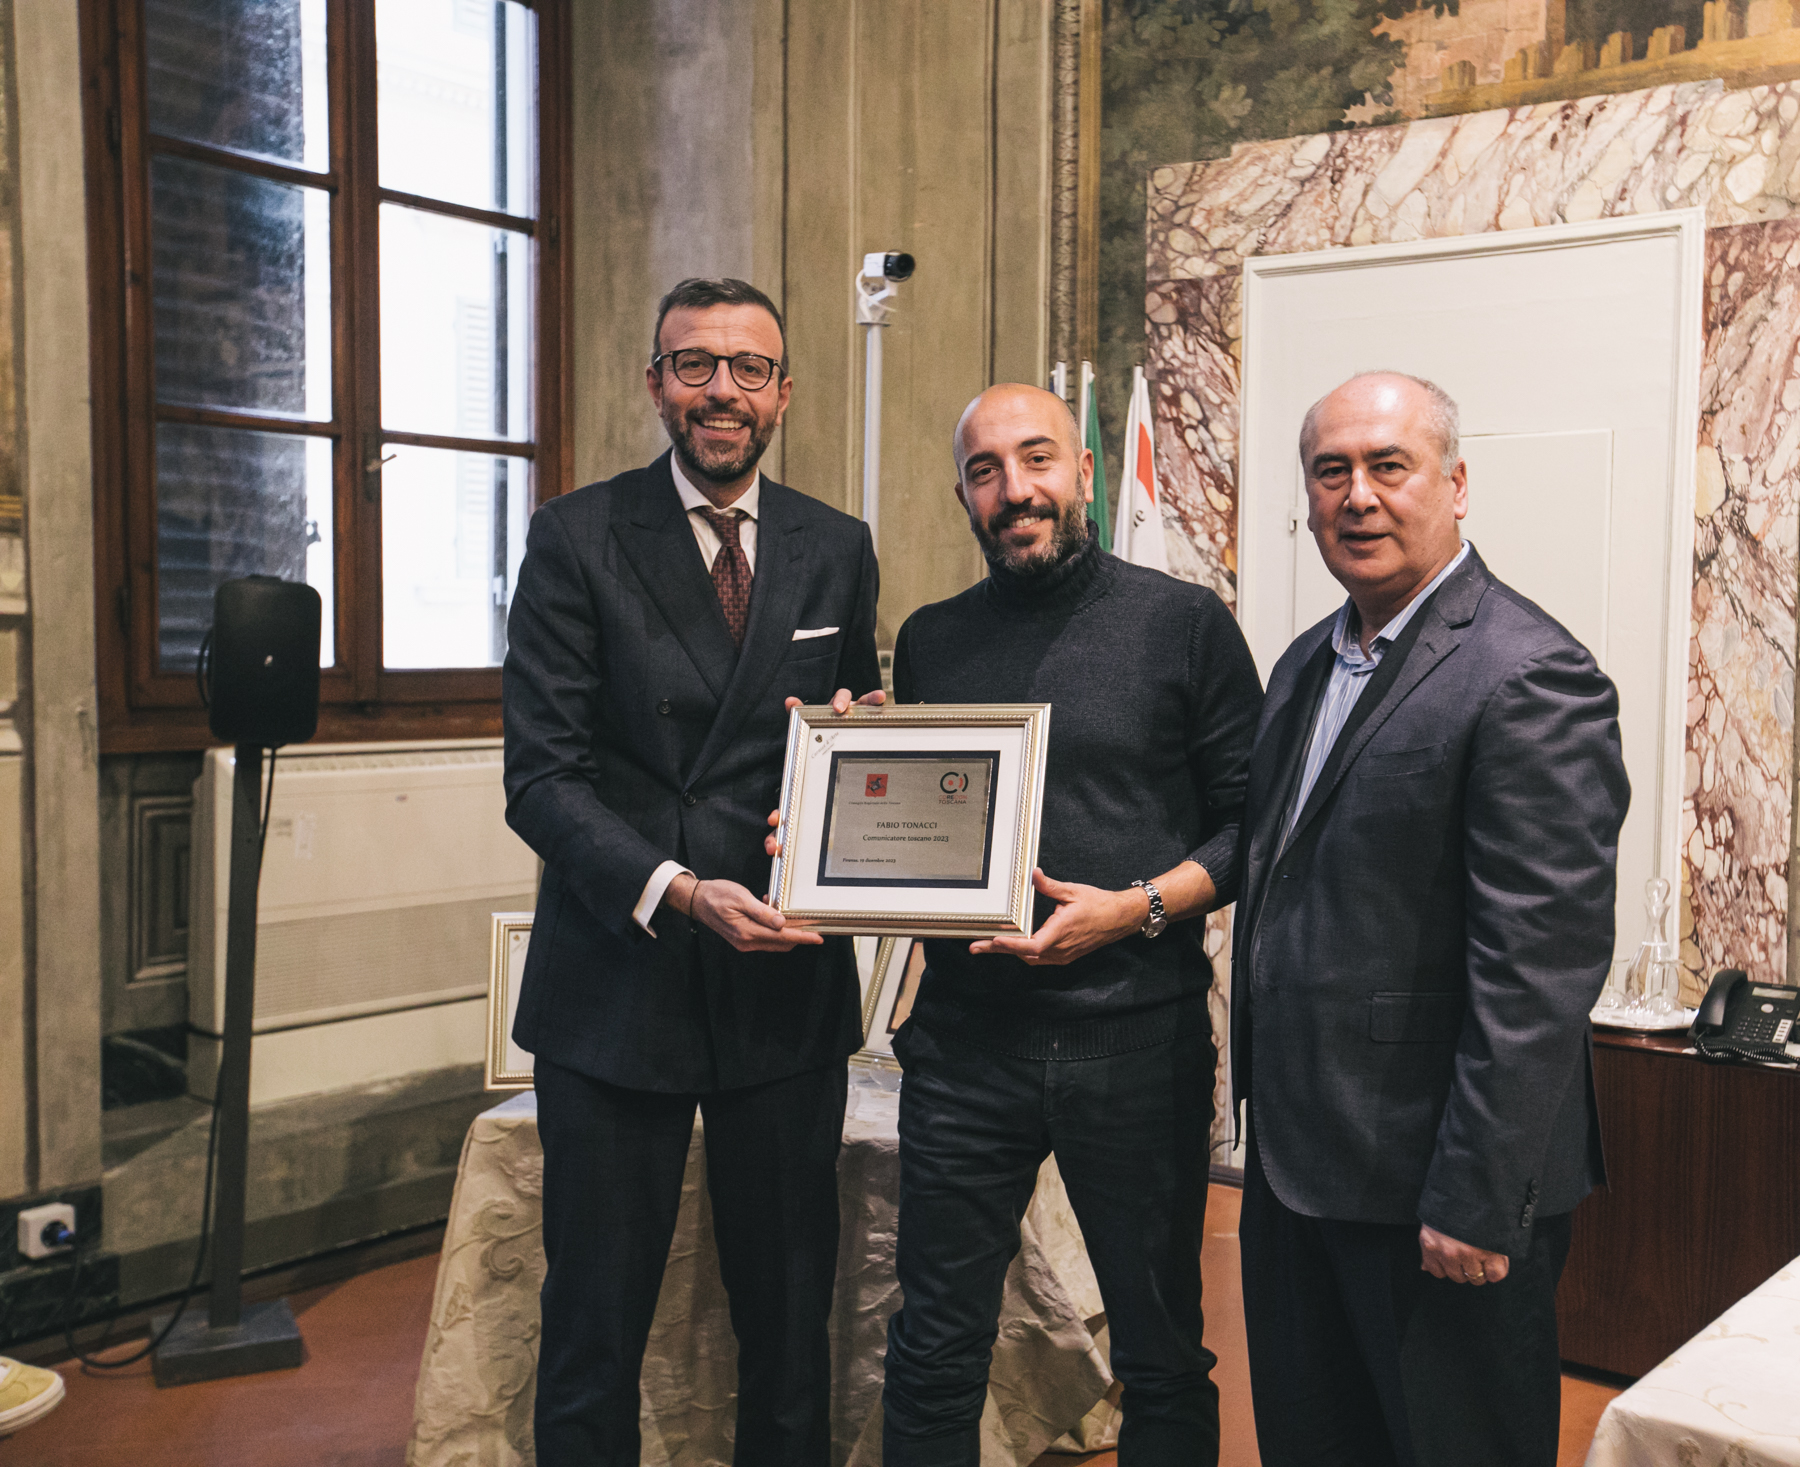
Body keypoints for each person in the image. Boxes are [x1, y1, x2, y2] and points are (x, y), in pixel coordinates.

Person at [502, 277, 883, 1467]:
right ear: (656, 383)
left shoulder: (836, 544)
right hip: (621, 977)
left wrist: (873, 751)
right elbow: (541, 780)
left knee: (789, 1313)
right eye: (695, 365)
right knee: (595, 1323)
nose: (723, 390)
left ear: (784, 392)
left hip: (782, 977)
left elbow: (848, 736)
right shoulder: (576, 535)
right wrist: (675, 889)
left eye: (748, 368)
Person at [859, 383, 1261, 1466]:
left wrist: (1134, 909)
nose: (1015, 489)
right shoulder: (933, 639)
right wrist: (845, 786)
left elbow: (1253, 827)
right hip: (964, 1047)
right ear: (964, 496)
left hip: (1136, 1040)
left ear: (1084, 471)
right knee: (933, 1348)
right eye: (985, 471)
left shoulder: (1183, 624)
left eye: (1036, 459)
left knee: (1160, 1353)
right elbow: (927, 822)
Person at [1231, 371, 1628, 1467]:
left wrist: (1476, 1195)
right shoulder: (1304, 665)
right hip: (1300, 1167)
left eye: (1387, 466)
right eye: (1330, 471)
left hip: (1434, 1187)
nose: (1356, 496)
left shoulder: (1529, 673)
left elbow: (1537, 968)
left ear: (1454, 485)